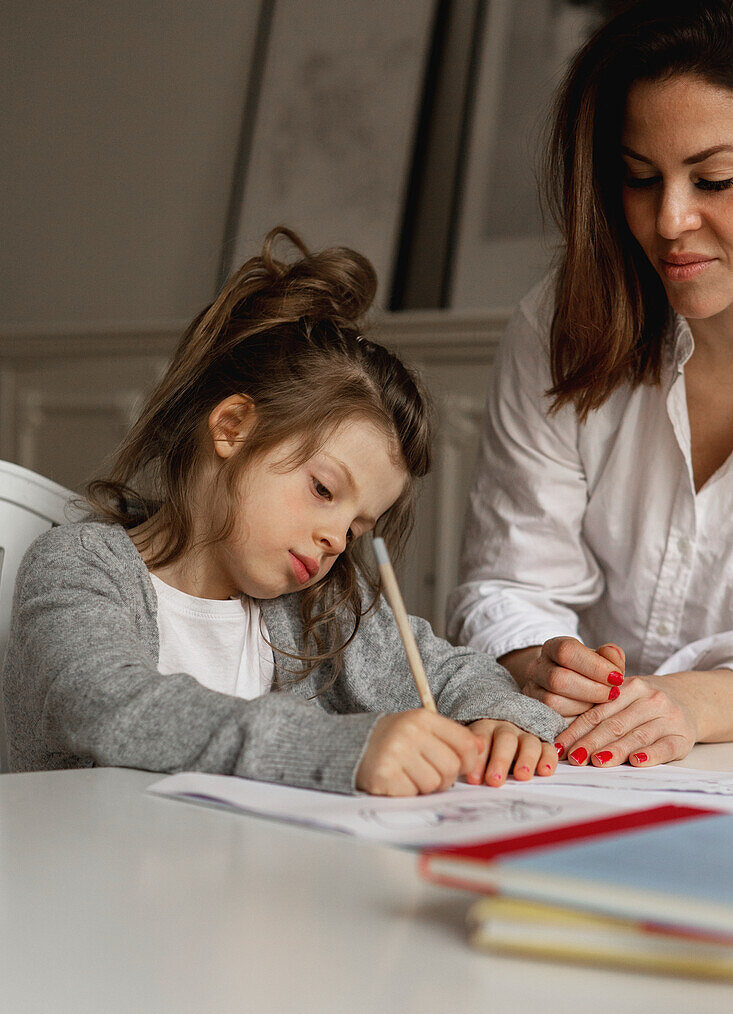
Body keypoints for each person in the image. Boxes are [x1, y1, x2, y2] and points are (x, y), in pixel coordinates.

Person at [3, 227, 564, 795]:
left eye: (357, 526)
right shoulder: (81, 565)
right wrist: (337, 748)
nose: (337, 541)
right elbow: (102, 703)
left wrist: (500, 719)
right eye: (323, 490)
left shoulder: (320, 604)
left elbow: (449, 671)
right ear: (233, 428)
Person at [448, 0, 733, 770]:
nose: (669, 220)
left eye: (715, 179)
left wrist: (697, 702)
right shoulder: (560, 323)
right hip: (583, 766)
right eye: (639, 179)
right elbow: (507, 580)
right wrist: (535, 657)